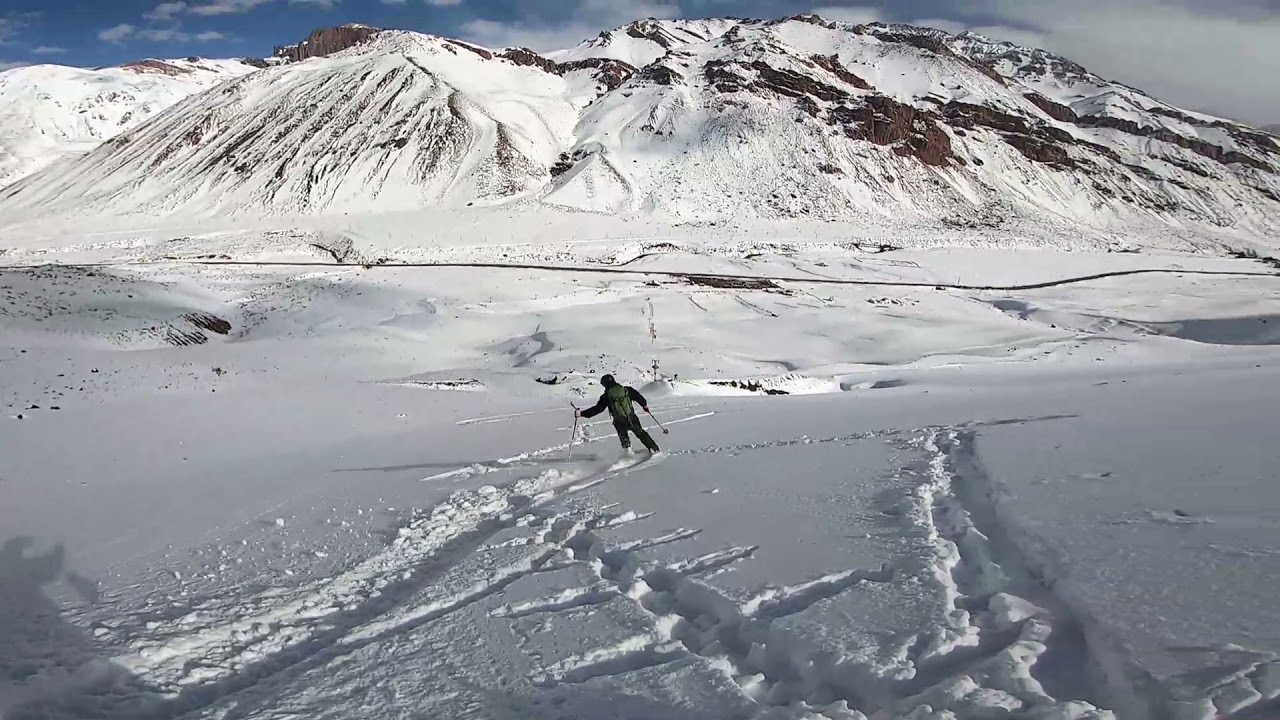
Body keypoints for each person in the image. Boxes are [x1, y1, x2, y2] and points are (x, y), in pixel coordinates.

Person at [577, 374, 660, 453]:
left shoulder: (606, 396)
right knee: (641, 434)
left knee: (624, 438)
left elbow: (598, 409)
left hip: (619, 422)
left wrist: (581, 413)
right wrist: (644, 406)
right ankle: (654, 449)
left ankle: (628, 453)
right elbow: (639, 397)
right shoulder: (626, 390)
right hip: (632, 418)